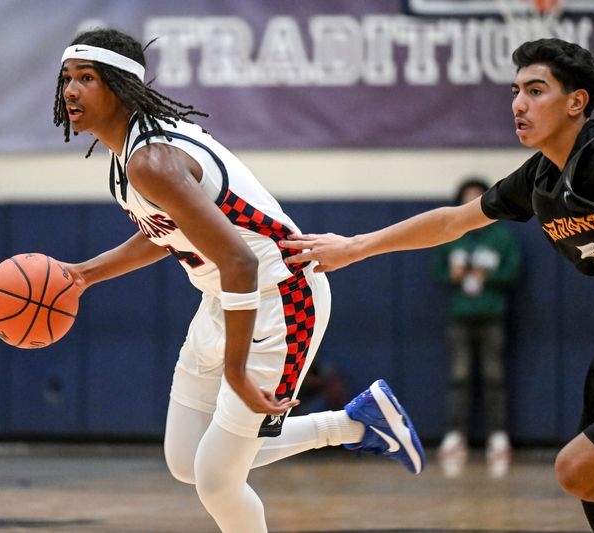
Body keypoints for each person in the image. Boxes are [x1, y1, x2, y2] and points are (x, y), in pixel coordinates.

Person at [281, 38, 594, 533]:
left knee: (577, 470)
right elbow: (451, 222)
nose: (519, 104)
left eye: (535, 90)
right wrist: (356, 246)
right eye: (515, 91)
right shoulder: (539, 180)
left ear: (577, 102)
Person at [51, 28, 425, 533]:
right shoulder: (126, 160)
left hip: (280, 297)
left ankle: (352, 424)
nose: (71, 90)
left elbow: (240, 262)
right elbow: (172, 233)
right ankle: (357, 422)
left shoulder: (152, 160)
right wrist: (84, 274)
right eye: (67, 78)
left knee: (217, 480)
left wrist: (235, 372)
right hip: (224, 298)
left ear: (118, 85)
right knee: (187, 460)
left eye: (87, 78)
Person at [432, 178, 521, 477]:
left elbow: (513, 271)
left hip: (492, 314)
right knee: (459, 376)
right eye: (466, 199)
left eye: (477, 199)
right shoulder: (452, 236)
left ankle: (498, 436)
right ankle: (456, 435)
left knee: (494, 377)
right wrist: (453, 276)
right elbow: (438, 271)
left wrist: (489, 276)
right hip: (460, 315)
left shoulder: (502, 237)